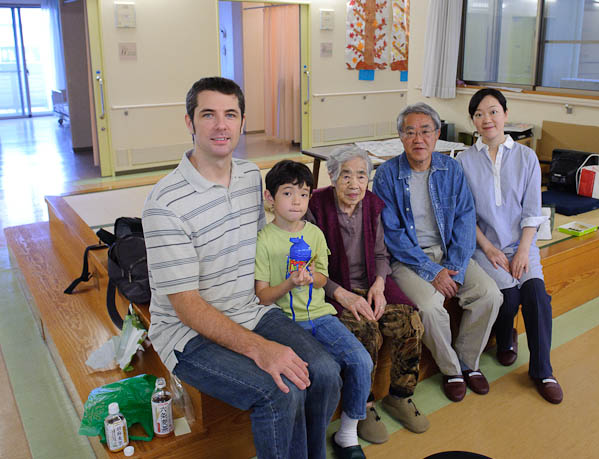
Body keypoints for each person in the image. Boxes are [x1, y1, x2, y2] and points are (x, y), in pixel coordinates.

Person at [142, 77, 341, 459]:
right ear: (190, 123)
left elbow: (273, 237)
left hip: (251, 309)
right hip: (187, 333)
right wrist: (261, 350)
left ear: (242, 121)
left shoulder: (251, 176)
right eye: (209, 115)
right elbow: (185, 305)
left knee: (326, 371)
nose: (221, 125)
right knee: (279, 392)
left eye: (230, 114)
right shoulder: (164, 204)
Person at [372, 102, 502, 403]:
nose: (418, 139)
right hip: (408, 259)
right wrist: (434, 272)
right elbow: (393, 235)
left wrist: (454, 264)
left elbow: (465, 219)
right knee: (430, 307)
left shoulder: (451, 169)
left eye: (425, 131)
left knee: (490, 294)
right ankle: (452, 369)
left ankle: (469, 362)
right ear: (400, 137)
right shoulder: (387, 176)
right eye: (410, 132)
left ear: (437, 134)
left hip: (449, 254)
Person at [307, 146, 428, 444]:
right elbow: (310, 266)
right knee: (366, 332)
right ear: (333, 176)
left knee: (411, 322)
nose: (354, 183)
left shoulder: (374, 205)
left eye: (361, 176)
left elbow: (381, 254)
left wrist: (379, 284)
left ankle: (400, 395)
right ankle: (363, 405)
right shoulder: (315, 206)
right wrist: (342, 294)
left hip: (371, 285)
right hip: (333, 289)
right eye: (346, 175)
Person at [255, 160, 373, 459]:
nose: (297, 201)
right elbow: (263, 297)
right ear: (270, 197)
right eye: (288, 193)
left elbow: (322, 278)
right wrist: (290, 283)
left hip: (320, 316)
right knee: (321, 373)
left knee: (361, 360)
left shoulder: (314, 234)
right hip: (284, 322)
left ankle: (348, 432)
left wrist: (310, 277)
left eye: (304, 194)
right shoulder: (264, 239)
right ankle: (310, 442)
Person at [458, 88, 564, 404]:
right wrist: (489, 248)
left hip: (522, 243)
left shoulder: (526, 157)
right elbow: (465, 216)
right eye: (478, 114)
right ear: (473, 122)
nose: (486, 119)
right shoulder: (463, 161)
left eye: (492, 111)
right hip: (483, 245)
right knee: (508, 292)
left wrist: (521, 251)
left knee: (535, 295)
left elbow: (532, 212)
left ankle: (543, 371)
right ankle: (506, 339)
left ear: (505, 114)